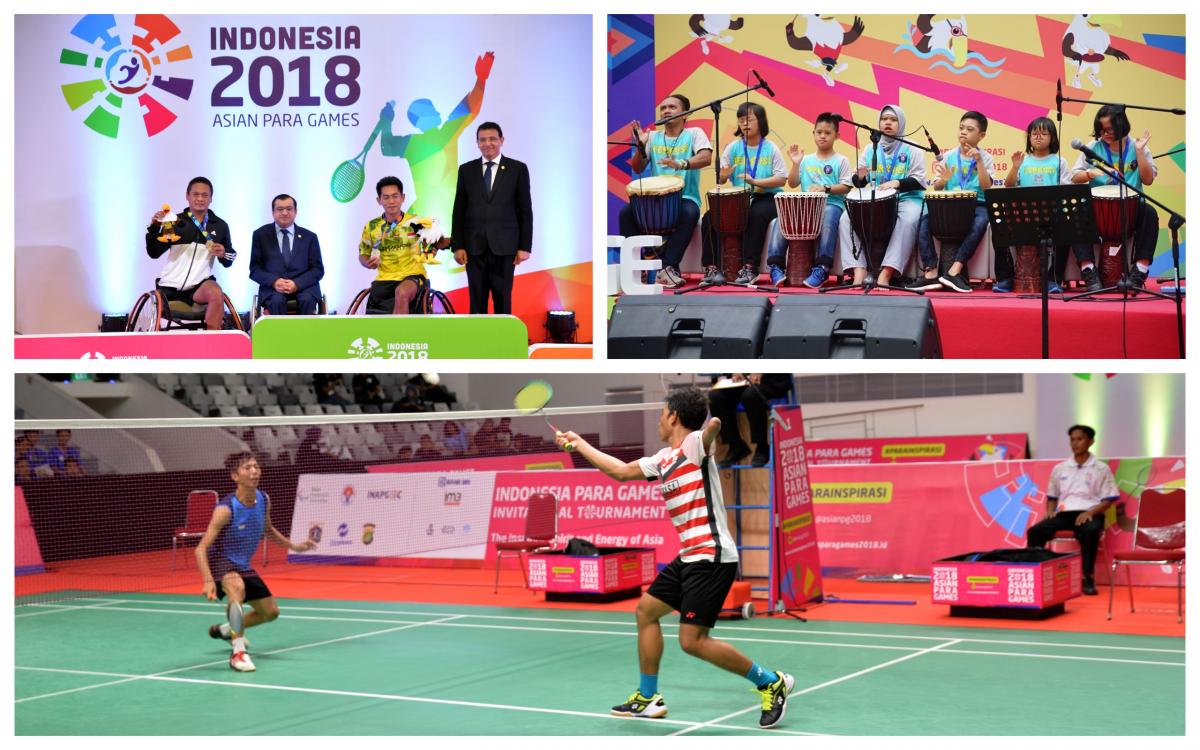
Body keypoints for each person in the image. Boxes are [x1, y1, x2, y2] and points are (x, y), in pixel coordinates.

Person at [554, 388, 794, 728]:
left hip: (711, 557)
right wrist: (579, 445)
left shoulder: (695, 447)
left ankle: (771, 682)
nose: (658, 419)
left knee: (692, 642)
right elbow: (621, 471)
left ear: (673, 417)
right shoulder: (664, 460)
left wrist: (711, 431)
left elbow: (710, 431)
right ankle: (648, 697)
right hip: (690, 556)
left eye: (661, 413)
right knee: (646, 611)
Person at [196, 452, 317, 672]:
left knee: (270, 613)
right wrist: (207, 580)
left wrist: (296, 547)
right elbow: (200, 548)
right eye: (247, 468)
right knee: (236, 588)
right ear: (235, 476)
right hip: (221, 561)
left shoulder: (263, 499)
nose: (254, 471)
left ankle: (226, 630)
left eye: (256, 467)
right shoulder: (225, 509)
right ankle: (238, 653)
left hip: (243, 563)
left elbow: (268, 530)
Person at [378, 51, 494, 224]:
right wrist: (481, 79)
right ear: (421, 118)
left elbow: (386, 146)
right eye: (431, 110)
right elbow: (471, 108)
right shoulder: (445, 133)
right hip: (441, 213)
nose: (437, 112)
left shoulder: (411, 143)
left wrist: (386, 120)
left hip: (432, 212)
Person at [620, 94, 714, 288]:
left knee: (690, 212)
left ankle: (668, 267)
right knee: (626, 213)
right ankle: (643, 264)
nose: (666, 111)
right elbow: (637, 168)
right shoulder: (653, 137)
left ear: (685, 114)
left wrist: (680, 163)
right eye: (663, 108)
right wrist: (640, 146)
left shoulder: (694, 133)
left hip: (684, 197)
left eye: (672, 107)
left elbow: (705, 158)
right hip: (654, 199)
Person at [1069, 104, 1160, 293]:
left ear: (1121, 126)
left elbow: (1148, 180)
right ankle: (1088, 270)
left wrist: (1140, 152)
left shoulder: (1138, 146)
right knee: (1077, 212)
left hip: (1131, 210)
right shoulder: (1093, 147)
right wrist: (1092, 173)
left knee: (1150, 213)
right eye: (1101, 130)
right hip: (1098, 210)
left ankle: (1139, 271)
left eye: (1109, 129)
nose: (1104, 134)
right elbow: (1075, 177)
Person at [837, 105, 926, 288]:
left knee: (908, 220)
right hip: (877, 199)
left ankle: (887, 272)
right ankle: (858, 269)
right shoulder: (871, 149)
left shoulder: (913, 148)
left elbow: (919, 181)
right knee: (846, 218)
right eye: (884, 119)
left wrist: (897, 183)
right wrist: (860, 177)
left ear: (900, 124)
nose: (888, 123)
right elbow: (859, 182)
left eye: (893, 120)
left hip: (908, 199)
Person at [700, 102, 787, 285]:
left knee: (756, 214)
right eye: (741, 120)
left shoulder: (771, 148)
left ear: (760, 121)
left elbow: (781, 179)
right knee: (709, 217)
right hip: (740, 198)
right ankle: (711, 268)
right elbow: (722, 179)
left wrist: (755, 181)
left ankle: (750, 268)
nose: (744, 124)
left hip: (767, 196)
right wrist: (722, 177)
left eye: (749, 119)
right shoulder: (733, 148)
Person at [1026, 425, 1119, 596]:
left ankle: (1087, 577)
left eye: (1080, 439)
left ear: (1091, 441)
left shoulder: (1101, 468)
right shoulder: (1060, 468)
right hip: (1065, 513)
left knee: (1090, 531)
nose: (1075, 443)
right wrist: (1050, 511)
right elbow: (1052, 496)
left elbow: (1109, 499)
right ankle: (1034, 574)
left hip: (1091, 512)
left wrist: (1090, 513)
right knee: (1035, 531)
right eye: (1072, 439)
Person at [452, 122, 534, 314]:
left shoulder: (517, 169)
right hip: (474, 248)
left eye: (492, 139)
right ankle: (476, 342)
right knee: (476, 301)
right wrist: (458, 245)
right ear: (477, 143)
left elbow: (525, 210)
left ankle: (502, 342)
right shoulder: (466, 170)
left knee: (503, 300)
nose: (487, 143)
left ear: (501, 140)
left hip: (506, 248)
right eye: (482, 140)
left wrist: (524, 247)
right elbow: (459, 210)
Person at [912, 110, 995, 293]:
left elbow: (987, 187)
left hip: (977, 204)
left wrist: (979, 162)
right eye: (961, 128)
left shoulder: (986, 158)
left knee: (981, 222)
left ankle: (954, 271)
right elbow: (938, 187)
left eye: (969, 129)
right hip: (950, 205)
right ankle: (930, 272)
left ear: (981, 136)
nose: (963, 132)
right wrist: (943, 179)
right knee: (924, 221)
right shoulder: (949, 156)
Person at [768, 112, 853, 288]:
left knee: (828, 217)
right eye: (819, 132)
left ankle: (822, 267)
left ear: (837, 136)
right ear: (813, 133)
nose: (822, 136)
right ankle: (775, 267)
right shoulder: (805, 160)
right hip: (805, 209)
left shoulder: (841, 160)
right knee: (779, 220)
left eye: (828, 133)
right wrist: (796, 164)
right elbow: (792, 183)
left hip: (831, 205)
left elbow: (846, 186)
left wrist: (825, 188)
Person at [145, 177, 236, 330]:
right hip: (170, 286)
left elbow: (230, 259)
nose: (200, 199)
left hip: (199, 285)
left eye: (205, 195)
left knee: (216, 292)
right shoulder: (174, 222)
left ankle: (213, 343)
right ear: (187, 196)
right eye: (195, 194)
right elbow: (153, 252)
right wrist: (154, 228)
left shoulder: (220, 225)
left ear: (211, 198)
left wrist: (223, 252)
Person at [999, 117, 1074, 293]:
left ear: (1053, 138)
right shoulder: (1023, 161)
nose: (1038, 137)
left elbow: (1067, 188)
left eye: (1043, 133)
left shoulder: (1059, 161)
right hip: (1024, 214)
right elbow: (1008, 186)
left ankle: (1054, 279)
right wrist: (1015, 167)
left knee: (1065, 231)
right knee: (1000, 227)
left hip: (1051, 213)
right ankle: (1005, 277)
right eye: (1034, 133)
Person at [359, 177, 437, 315]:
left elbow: (430, 249)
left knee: (401, 292)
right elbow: (363, 254)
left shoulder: (417, 222)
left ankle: (398, 336)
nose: (391, 201)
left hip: (412, 276)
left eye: (395, 196)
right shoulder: (371, 226)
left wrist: (429, 251)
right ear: (379, 200)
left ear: (403, 198)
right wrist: (368, 263)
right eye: (386, 197)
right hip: (384, 279)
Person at [249, 194, 324, 315]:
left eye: (289, 209)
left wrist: (297, 284)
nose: (284, 213)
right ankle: (279, 335)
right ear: (273, 212)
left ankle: (306, 334)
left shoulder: (310, 237)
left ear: (295, 211)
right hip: (273, 289)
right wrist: (274, 282)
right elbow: (255, 270)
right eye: (280, 209)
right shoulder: (260, 235)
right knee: (276, 301)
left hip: (304, 287)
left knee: (306, 300)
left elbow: (318, 270)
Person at [708, 374, 793, 467]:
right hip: (744, 381)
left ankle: (762, 447)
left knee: (750, 395)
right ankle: (736, 445)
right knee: (715, 397)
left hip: (770, 379)